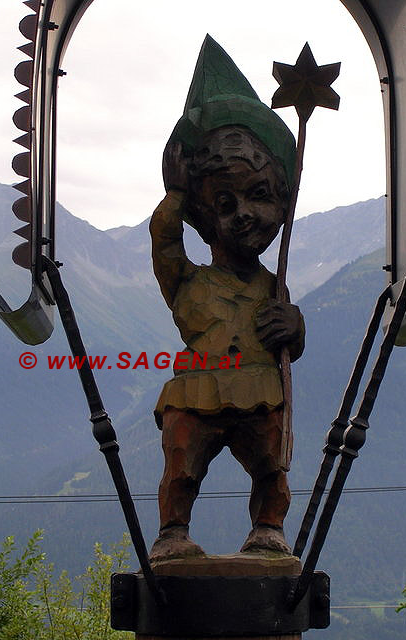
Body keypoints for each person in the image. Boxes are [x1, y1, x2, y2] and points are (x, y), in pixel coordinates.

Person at [149, 37, 305, 561]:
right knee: (182, 461)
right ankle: (173, 531)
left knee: (270, 463)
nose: (242, 213)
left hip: (260, 388)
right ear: (203, 215)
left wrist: (294, 327)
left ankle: (268, 526)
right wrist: (178, 189)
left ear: (282, 201)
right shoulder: (186, 282)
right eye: (223, 202)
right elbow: (164, 242)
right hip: (197, 389)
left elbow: (291, 341)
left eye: (259, 196)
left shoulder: (271, 285)